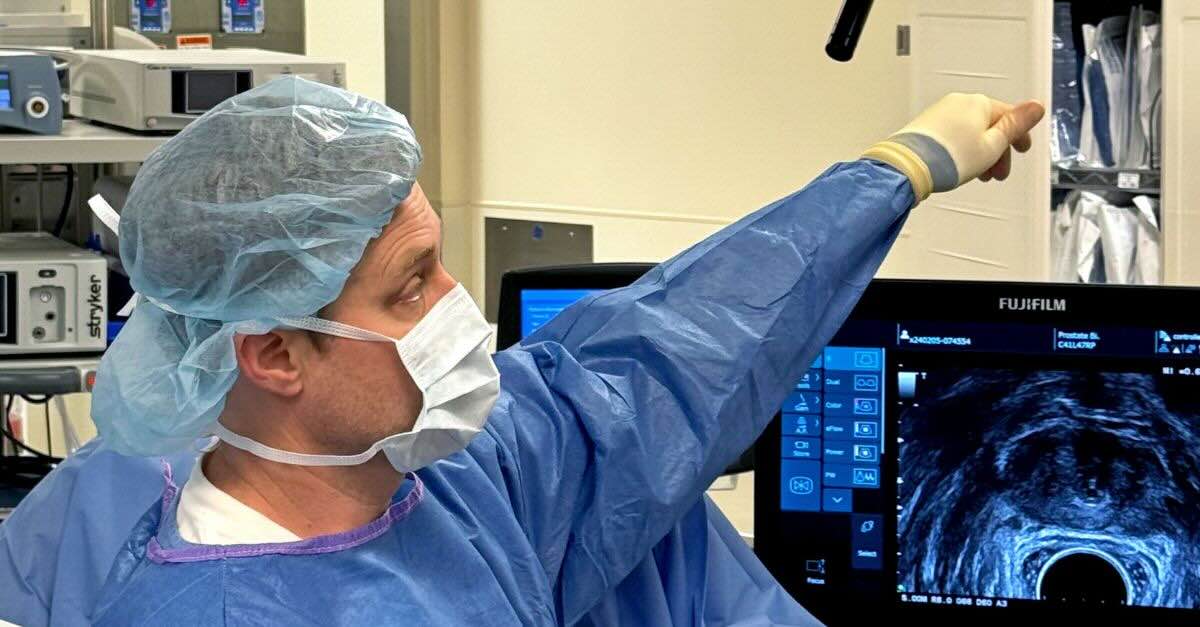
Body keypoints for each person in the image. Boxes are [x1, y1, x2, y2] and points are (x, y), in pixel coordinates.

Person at [0, 77, 1042, 626]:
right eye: (412, 286)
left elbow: (655, 365)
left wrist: (902, 168)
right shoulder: (202, 610)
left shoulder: (452, 478)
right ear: (275, 354)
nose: (458, 308)